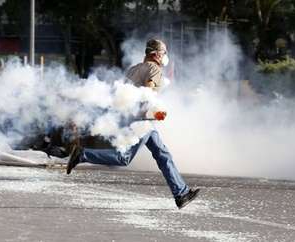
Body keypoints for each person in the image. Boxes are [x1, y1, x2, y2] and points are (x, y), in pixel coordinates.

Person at [66, 39, 200, 209]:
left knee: (162, 154)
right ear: (157, 54)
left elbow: (121, 93)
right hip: (142, 121)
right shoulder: (154, 69)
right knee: (124, 158)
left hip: (131, 118)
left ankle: (181, 193)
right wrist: (152, 110)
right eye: (164, 53)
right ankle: (82, 154)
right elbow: (148, 89)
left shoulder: (133, 69)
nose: (165, 57)